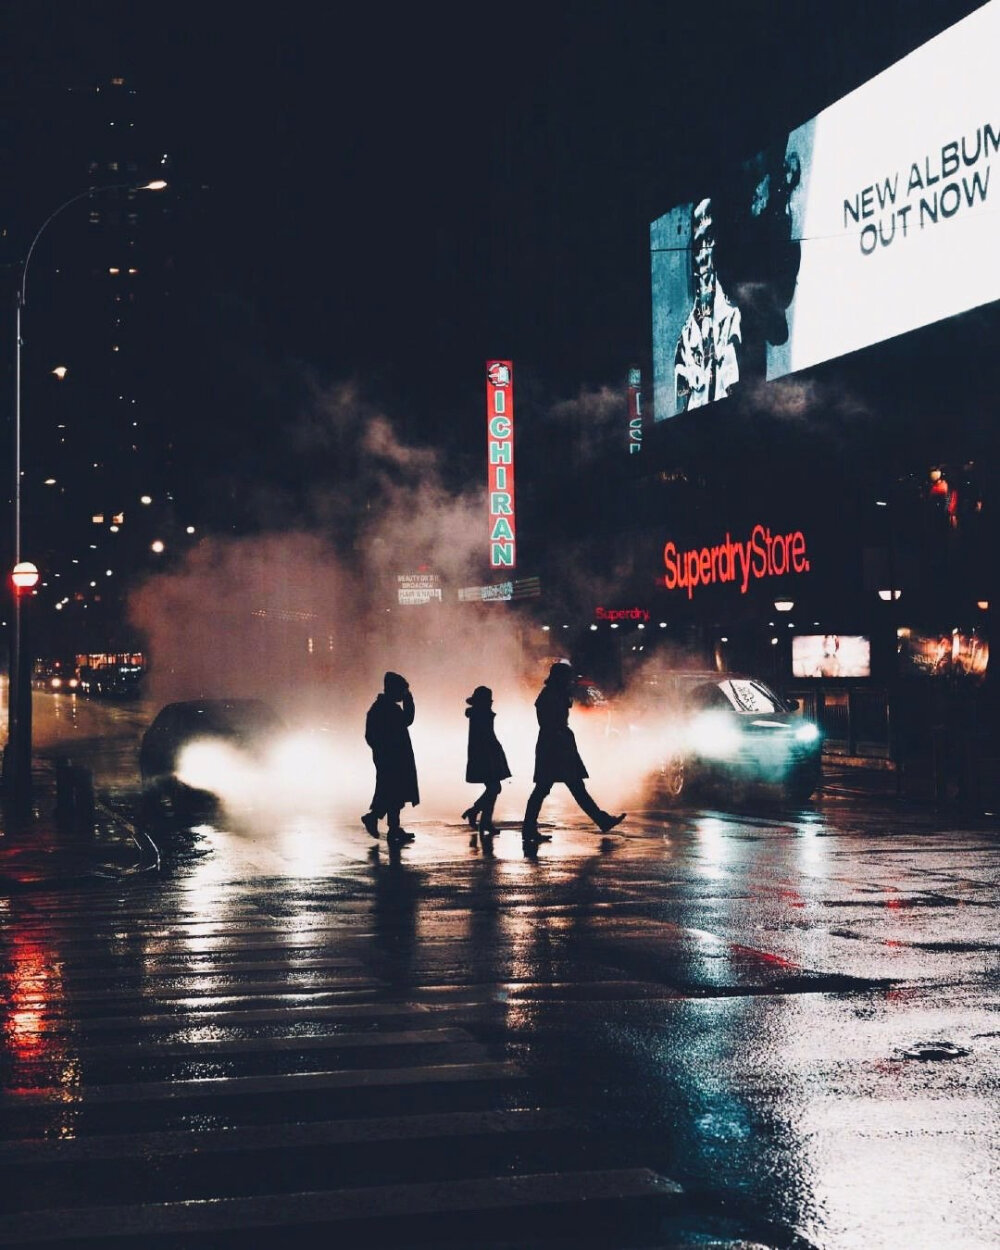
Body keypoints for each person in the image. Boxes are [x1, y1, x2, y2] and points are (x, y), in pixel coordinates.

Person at [521, 662, 625, 845]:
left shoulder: (552, 694)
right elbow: (550, 722)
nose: (570, 681)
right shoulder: (551, 696)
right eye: (567, 678)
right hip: (555, 746)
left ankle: (529, 828)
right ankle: (529, 828)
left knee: (559, 787)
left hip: (556, 745)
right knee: (551, 788)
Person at [362, 671, 419, 843]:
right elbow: (407, 720)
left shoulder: (381, 707)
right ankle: (376, 819)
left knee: (394, 794)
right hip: (393, 759)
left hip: (389, 757)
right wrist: (410, 702)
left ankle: (393, 827)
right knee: (393, 792)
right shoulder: (388, 709)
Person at [461, 685, 511, 839]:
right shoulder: (481, 714)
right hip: (486, 755)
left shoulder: (477, 713)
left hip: (484, 754)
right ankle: (477, 813)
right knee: (494, 787)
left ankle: (484, 820)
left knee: (493, 787)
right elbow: (486, 736)